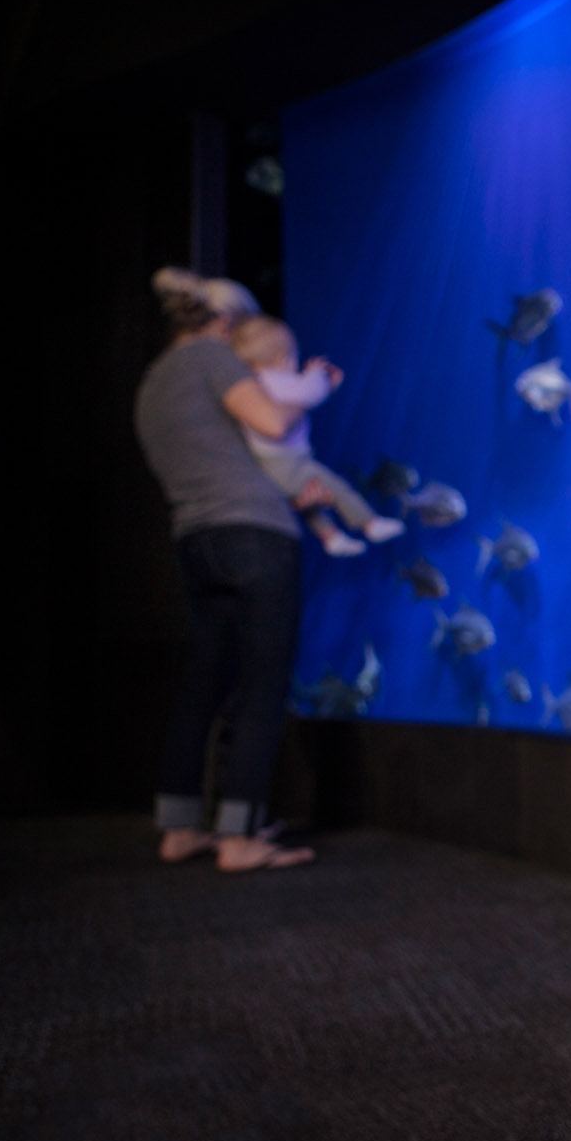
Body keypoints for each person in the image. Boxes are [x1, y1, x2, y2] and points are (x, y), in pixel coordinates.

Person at [134, 267, 318, 872]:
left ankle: (179, 828)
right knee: (263, 682)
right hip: (255, 534)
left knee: (203, 683)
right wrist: (306, 388)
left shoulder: (153, 381)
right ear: (227, 322)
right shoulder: (215, 361)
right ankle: (240, 836)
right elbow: (271, 423)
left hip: (192, 539)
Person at [229, 314, 404, 557]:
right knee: (336, 488)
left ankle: (331, 537)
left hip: (266, 467)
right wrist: (317, 375)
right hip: (288, 462)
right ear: (282, 358)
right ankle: (370, 523)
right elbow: (310, 392)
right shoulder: (276, 381)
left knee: (308, 502)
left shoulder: (250, 386)